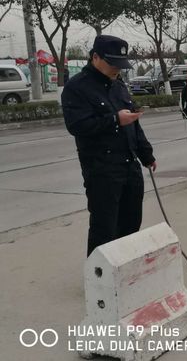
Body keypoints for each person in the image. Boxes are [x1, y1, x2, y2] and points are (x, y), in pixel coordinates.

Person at [61, 35, 157, 256]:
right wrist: (114, 119)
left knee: (131, 223)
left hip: (129, 165)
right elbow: (77, 125)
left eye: (120, 65)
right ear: (96, 57)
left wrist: (146, 154)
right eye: (112, 64)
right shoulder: (77, 88)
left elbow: (134, 124)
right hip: (102, 169)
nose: (117, 69)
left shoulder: (119, 86)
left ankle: (125, 268)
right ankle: (98, 274)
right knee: (104, 228)